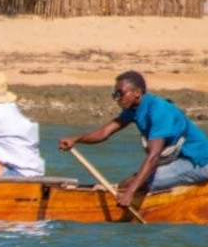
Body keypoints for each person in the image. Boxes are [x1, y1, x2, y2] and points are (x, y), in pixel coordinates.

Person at [58, 70, 208, 207]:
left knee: (135, 186)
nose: (117, 99)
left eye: (120, 93)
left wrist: (130, 193)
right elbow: (104, 132)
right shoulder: (134, 110)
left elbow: (154, 156)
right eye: (114, 95)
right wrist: (75, 139)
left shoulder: (159, 110)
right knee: (126, 184)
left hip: (199, 163)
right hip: (179, 161)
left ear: (136, 92)